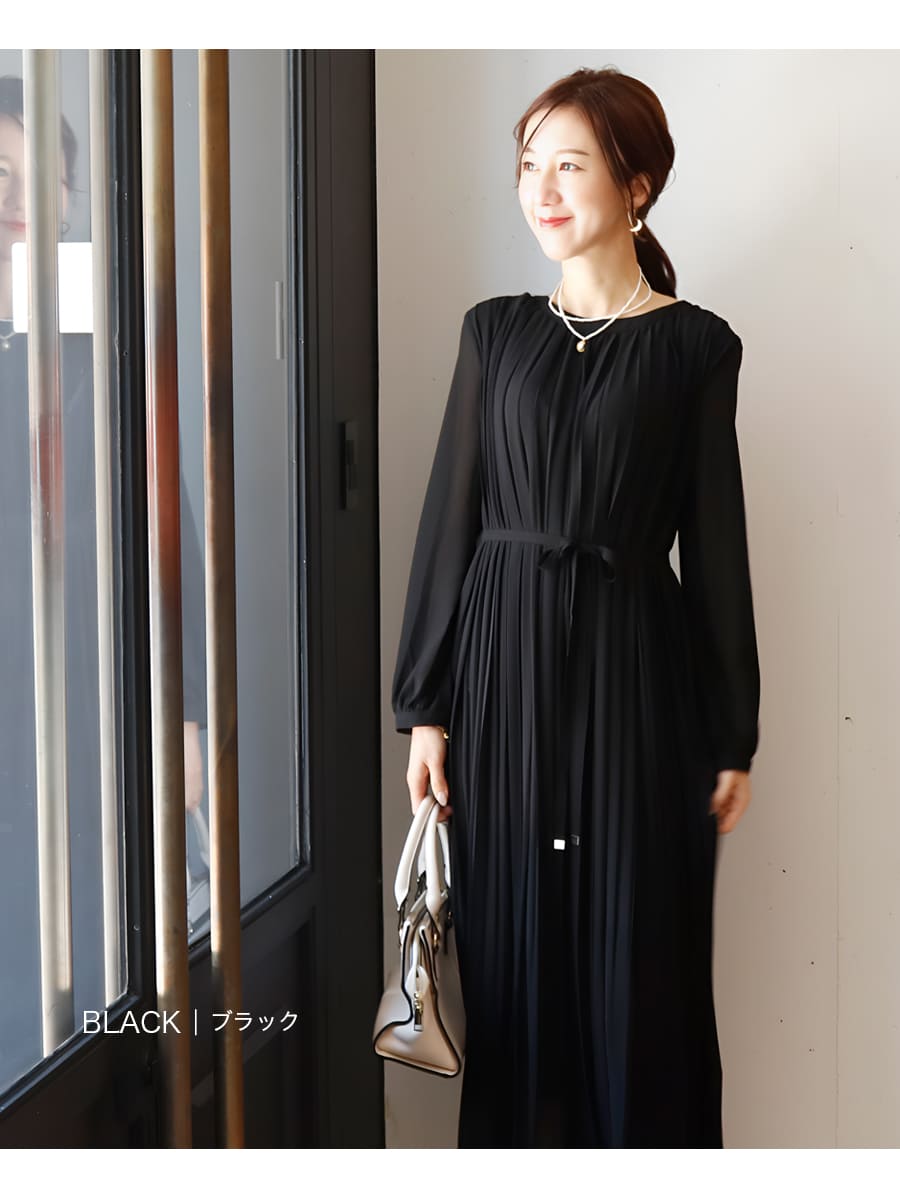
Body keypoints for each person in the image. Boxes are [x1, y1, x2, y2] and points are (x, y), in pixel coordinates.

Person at [390, 66, 761, 1149]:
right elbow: (450, 520)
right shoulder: (494, 334)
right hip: (502, 684)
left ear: (636, 186)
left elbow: (718, 545)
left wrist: (732, 732)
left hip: (639, 686)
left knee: (640, 970)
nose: (541, 190)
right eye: (527, 166)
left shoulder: (697, 347)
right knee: (512, 970)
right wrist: (426, 707)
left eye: (570, 165)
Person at [0, 74, 207, 1092]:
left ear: (70, 201)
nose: (18, 200)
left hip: (83, 715)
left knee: (87, 994)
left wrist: (189, 716)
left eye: (40, 178)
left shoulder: (98, 341)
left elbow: (169, 526)